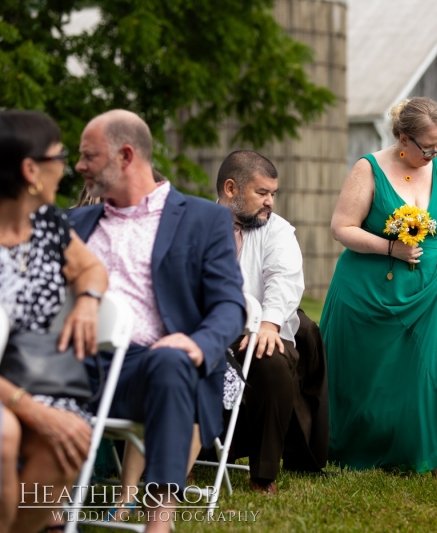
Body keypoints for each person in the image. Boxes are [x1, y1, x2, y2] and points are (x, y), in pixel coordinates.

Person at [68, 110, 245, 533]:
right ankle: (52, 516)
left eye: (89, 156)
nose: (79, 166)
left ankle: (158, 523)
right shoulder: (72, 223)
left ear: (126, 156)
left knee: (171, 363)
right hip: (74, 365)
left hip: (150, 369)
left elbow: (229, 306)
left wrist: (198, 343)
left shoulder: (205, 220)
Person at [320, 97, 437, 491]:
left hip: (432, 285)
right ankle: (348, 449)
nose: (433, 154)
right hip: (369, 288)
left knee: (435, 370)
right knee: (366, 376)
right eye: (426, 147)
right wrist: (390, 248)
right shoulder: (368, 169)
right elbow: (341, 227)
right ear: (402, 137)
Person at [0, 110, 108, 532]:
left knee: (68, 439)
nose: (67, 168)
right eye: (59, 157)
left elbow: (91, 269)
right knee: (4, 435)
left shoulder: (47, 224)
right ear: (30, 170)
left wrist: (87, 301)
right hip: (12, 387)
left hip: (34, 374)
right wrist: (31, 410)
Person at [216, 150, 329, 495]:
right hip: (207, 328)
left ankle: (263, 475)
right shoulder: (197, 222)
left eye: (272, 194)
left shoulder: (278, 231)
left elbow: (283, 279)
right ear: (231, 189)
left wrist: (268, 325)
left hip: (260, 326)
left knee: (270, 362)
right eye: (261, 193)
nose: (270, 203)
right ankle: (193, 455)